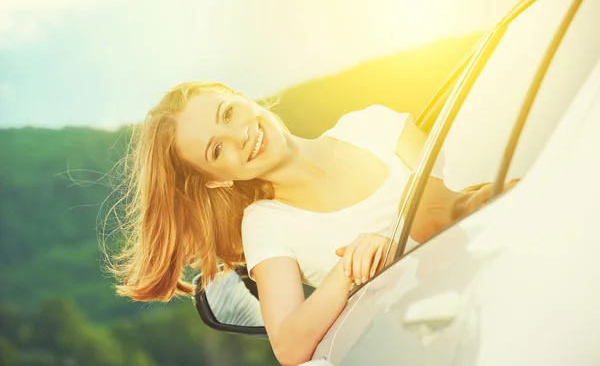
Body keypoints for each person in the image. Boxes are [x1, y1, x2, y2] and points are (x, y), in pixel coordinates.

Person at [108, 82, 504, 366]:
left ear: (242, 98)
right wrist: (347, 269)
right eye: (217, 149)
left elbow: (448, 206)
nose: (240, 135)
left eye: (228, 113)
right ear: (217, 179)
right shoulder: (265, 224)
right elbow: (289, 346)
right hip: (437, 337)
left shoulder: (372, 125)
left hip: (498, 263)